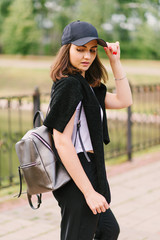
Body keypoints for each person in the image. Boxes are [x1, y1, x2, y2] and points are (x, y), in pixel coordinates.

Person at [43, 20, 132, 240]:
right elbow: (61, 140)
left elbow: (124, 100)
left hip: (90, 169)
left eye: (92, 50)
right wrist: (89, 191)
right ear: (67, 50)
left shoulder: (86, 85)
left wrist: (115, 62)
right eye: (80, 50)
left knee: (107, 229)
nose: (87, 56)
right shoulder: (69, 85)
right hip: (75, 171)